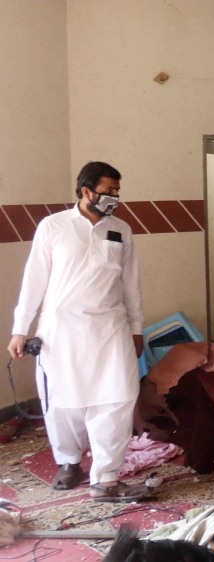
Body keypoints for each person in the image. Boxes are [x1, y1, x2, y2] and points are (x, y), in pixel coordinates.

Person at [7, 162, 149, 502]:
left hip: (111, 327)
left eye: (117, 190)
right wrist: (19, 329)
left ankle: (106, 478)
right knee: (64, 402)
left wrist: (136, 328)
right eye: (108, 190)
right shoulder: (53, 227)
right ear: (86, 191)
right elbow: (34, 281)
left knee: (119, 397)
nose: (115, 197)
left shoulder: (121, 230)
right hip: (62, 329)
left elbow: (131, 285)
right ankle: (69, 461)